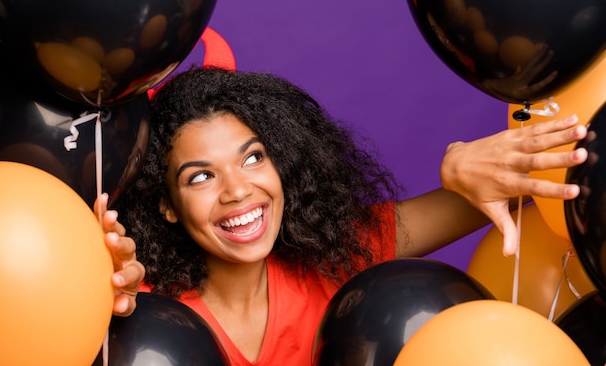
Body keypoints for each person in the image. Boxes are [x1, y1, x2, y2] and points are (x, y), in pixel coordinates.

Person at [119, 66, 587, 365]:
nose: (238, 190)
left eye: (253, 158)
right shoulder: (138, 305)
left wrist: (462, 170)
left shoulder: (335, 258)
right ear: (167, 206)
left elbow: (514, 191)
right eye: (200, 178)